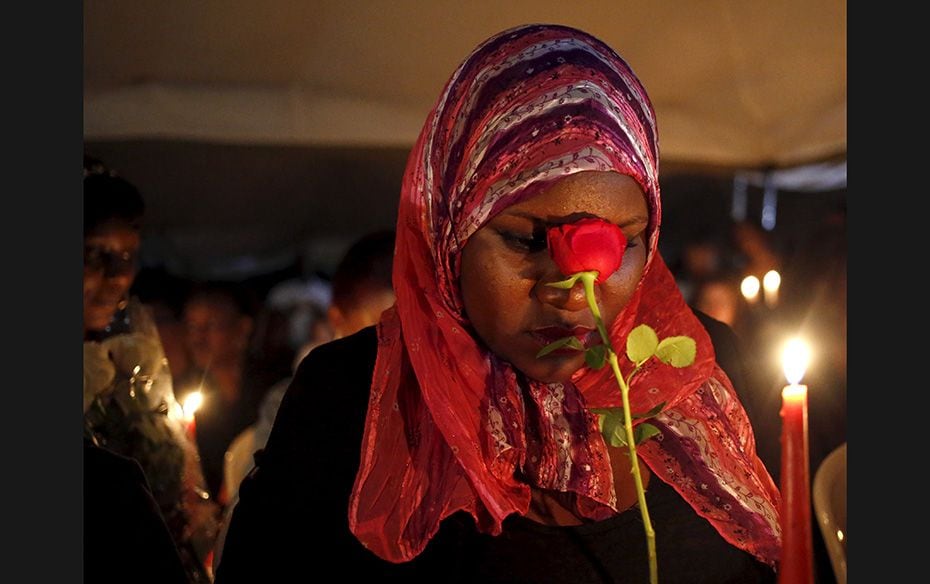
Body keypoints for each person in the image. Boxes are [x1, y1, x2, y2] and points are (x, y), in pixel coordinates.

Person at [216, 24, 781, 583]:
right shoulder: (350, 401)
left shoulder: (704, 372)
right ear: (450, 229)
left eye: (622, 242)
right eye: (527, 239)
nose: (574, 288)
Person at [82, 155, 219, 583]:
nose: (119, 276)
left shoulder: (135, 348)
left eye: (128, 256)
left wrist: (186, 508)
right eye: (96, 255)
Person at [174, 281, 284, 504]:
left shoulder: (274, 386)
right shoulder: (177, 395)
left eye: (211, 326)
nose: (198, 338)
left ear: (242, 329)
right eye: (192, 327)